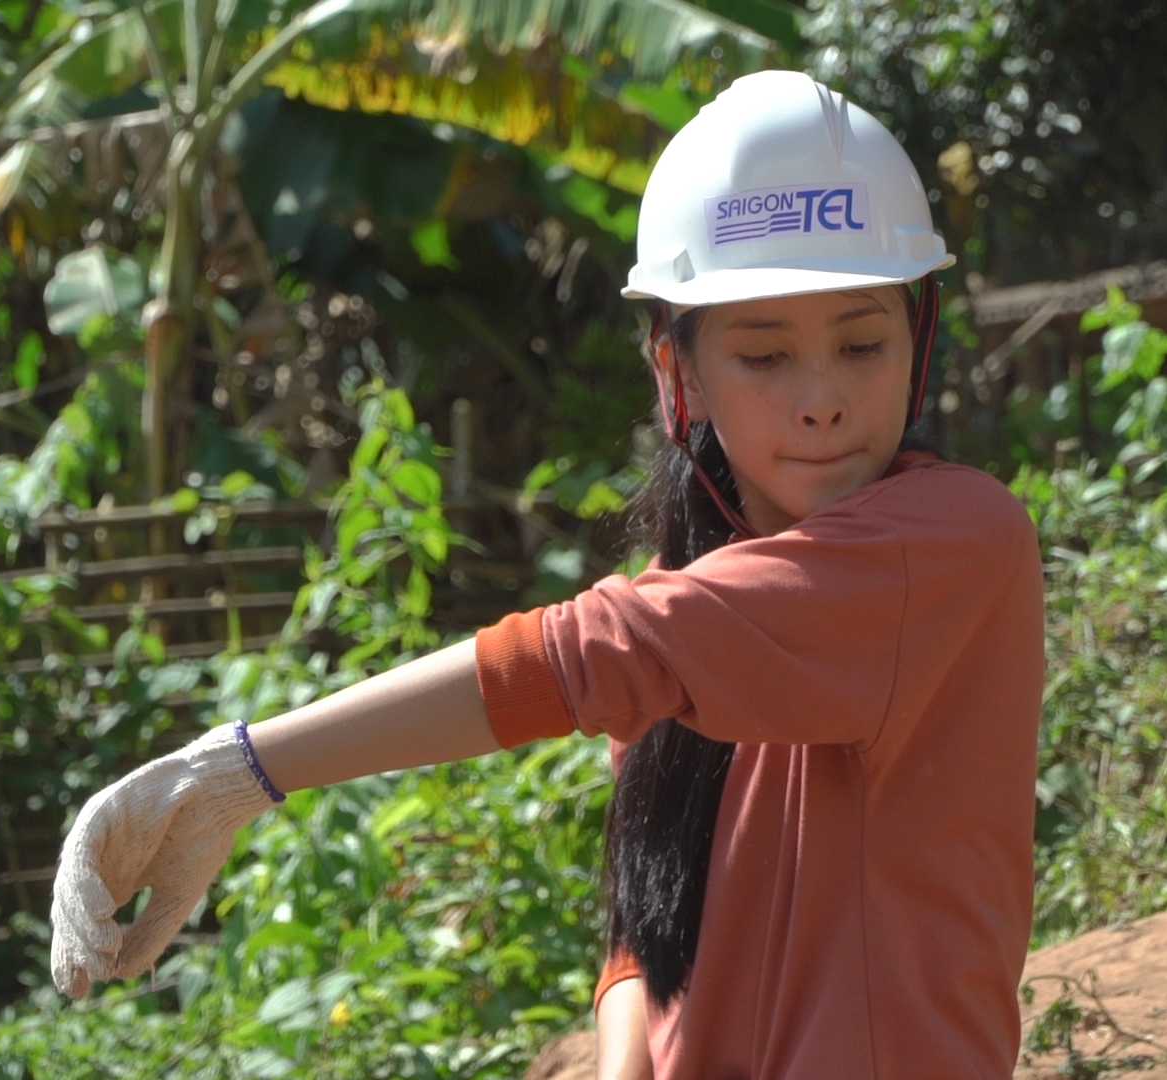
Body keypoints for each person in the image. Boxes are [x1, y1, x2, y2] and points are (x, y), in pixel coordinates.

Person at [50, 70, 1044, 1080]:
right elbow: (652, 918)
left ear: (917, 343)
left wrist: (241, 769)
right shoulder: (687, 592)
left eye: (862, 342)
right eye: (766, 356)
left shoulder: (954, 543)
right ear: (681, 372)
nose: (823, 399)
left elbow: (587, 654)